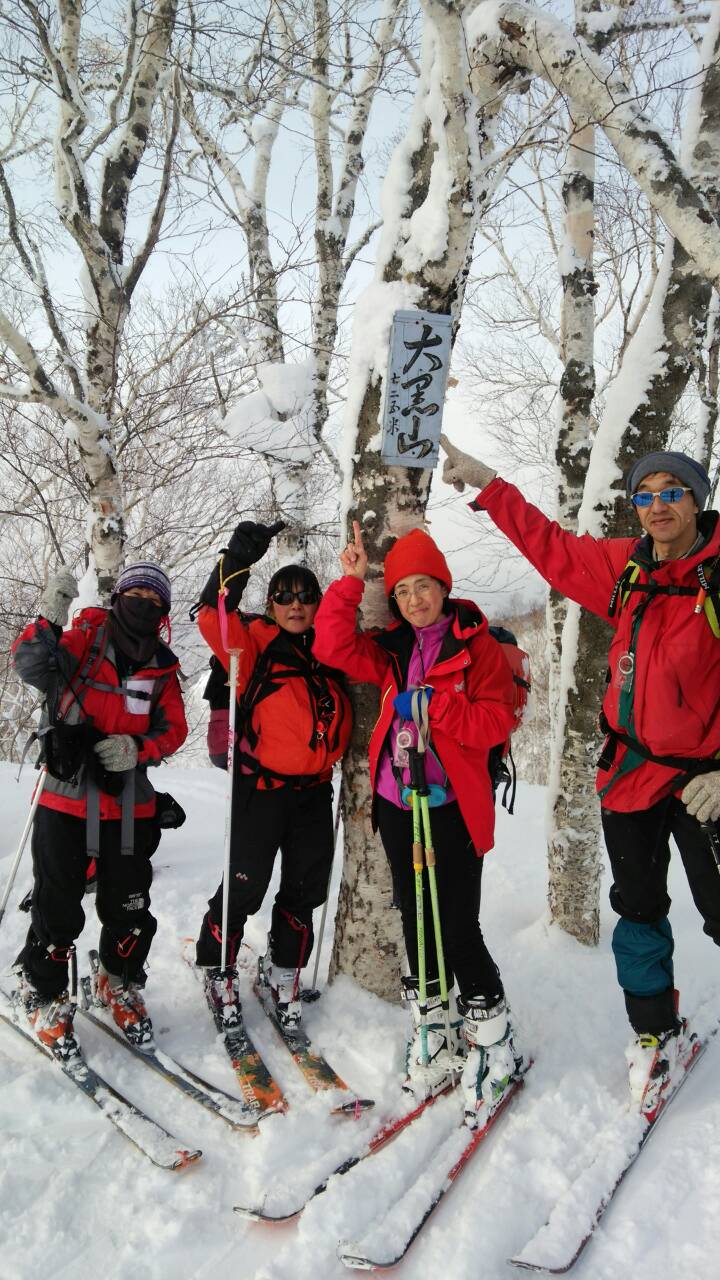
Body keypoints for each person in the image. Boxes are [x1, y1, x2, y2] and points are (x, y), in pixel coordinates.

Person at [440, 432, 720, 1113]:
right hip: (630, 772)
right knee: (638, 909)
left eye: (672, 493)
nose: (658, 507)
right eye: (645, 497)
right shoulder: (627, 569)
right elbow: (553, 549)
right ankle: (655, 1035)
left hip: (705, 781)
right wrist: (491, 486)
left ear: (697, 501)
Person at [312, 522, 526, 1127]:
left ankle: (495, 1041)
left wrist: (435, 704)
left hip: (453, 807)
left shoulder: (477, 648)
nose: (413, 600)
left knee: (457, 926)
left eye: (423, 586)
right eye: (402, 591)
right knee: (417, 922)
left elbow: (496, 721)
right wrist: (351, 583)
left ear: (443, 586)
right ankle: (436, 1029)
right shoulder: (393, 648)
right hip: (399, 802)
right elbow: (331, 646)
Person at [11, 561, 187, 1055]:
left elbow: (174, 729)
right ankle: (44, 991)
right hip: (64, 796)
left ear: (163, 612)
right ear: (118, 598)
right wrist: (49, 617)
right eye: (136, 595)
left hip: (128, 805)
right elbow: (30, 665)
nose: (144, 606)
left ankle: (119, 979)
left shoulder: (163, 667)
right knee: (57, 905)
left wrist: (139, 748)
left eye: (154, 601)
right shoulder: (83, 640)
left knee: (130, 905)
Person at [193, 521, 352, 1028]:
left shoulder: (331, 648)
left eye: (305, 596)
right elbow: (212, 615)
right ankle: (218, 968)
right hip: (261, 791)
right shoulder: (253, 644)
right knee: (244, 885)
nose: (295, 605)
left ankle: (285, 969)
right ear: (271, 604)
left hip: (314, 793)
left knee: (305, 889)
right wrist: (238, 557)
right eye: (284, 596)